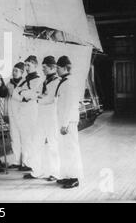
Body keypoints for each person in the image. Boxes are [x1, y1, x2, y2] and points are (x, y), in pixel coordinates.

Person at [28, 56, 61, 180]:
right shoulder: (44, 82)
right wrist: (39, 97)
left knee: (53, 145)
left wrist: (38, 98)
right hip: (41, 116)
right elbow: (35, 93)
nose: (43, 70)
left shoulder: (57, 82)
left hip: (52, 117)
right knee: (36, 143)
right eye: (42, 68)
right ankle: (37, 171)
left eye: (45, 68)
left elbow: (50, 99)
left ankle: (56, 173)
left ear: (52, 67)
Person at [55, 55, 83, 189]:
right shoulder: (65, 81)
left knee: (71, 150)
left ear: (65, 68)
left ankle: (74, 177)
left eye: (58, 68)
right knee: (64, 150)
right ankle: (66, 176)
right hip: (64, 121)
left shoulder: (69, 83)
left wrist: (64, 124)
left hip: (68, 122)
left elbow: (69, 105)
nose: (56, 70)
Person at [15, 55, 41, 175]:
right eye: (25, 65)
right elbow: (15, 93)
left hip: (32, 111)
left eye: (28, 65)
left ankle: (33, 164)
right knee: (24, 138)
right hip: (23, 111)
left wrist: (23, 92)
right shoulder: (23, 79)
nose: (26, 67)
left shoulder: (38, 79)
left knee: (31, 138)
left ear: (35, 65)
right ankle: (25, 163)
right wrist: (23, 94)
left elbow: (33, 95)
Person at [4, 62, 25, 170]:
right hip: (12, 113)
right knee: (14, 137)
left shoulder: (25, 83)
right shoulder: (9, 84)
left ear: (22, 72)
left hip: (23, 114)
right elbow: (6, 99)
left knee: (24, 138)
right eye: (13, 70)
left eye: (16, 70)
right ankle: (17, 161)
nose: (14, 72)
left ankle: (26, 162)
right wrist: (5, 113)